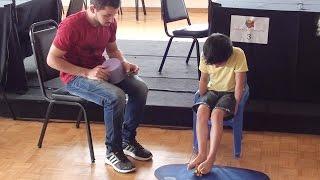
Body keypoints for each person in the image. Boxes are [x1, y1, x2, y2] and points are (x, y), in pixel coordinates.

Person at [47, 0, 152, 174]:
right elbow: (52, 60)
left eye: (114, 14)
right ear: (93, 9)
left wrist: (124, 63)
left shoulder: (110, 22)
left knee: (140, 88)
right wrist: (86, 72)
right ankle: (113, 151)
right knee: (116, 96)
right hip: (75, 77)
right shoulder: (71, 26)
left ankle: (127, 140)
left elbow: (113, 50)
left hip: (100, 70)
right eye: (107, 15)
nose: (111, 19)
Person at [188, 33, 248, 174]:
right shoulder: (206, 55)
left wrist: (237, 104)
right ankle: (202, 153)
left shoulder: (238, 54)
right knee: (202, 111)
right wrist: (201, 97)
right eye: (212, 63)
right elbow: (203, 79)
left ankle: (211, 157)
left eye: (218, 63)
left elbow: (240, 85)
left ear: (228, 55)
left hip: (230, 92)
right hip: (212, 90)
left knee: (216, 115)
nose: (215, 65)